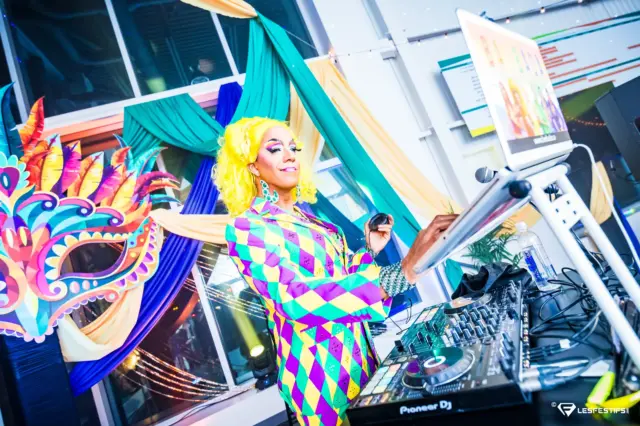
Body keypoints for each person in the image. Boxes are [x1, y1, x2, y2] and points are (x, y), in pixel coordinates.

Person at [216, 117, 457, 426]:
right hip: (319, 381)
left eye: (293, 148)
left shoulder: (315, 222)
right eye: (275, 149)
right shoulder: (248, 227)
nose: (289, 156)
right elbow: (294, 299)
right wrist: (402, 272)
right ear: (251, 165)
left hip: (363, 362)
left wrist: (370, 249)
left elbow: (341, 281)